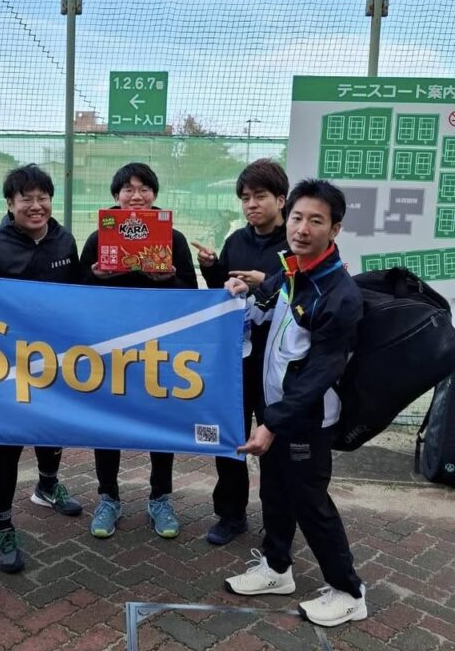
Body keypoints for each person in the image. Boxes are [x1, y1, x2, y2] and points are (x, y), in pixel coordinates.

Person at [224, 178, 367, 627]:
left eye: (316, 221)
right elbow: (271, 309)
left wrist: (272, 423)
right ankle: (277, 567)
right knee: (274, 491)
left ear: (335, 229)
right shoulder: (292, 269)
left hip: (306, 419)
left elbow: (320, 375)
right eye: (298, 218)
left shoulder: (338, 294)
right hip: (279, 411)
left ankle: (349, 591)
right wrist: (247, 293)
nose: (302, 229)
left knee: (310, 503)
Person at [79, 162, 198, 540]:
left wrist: (169, 279)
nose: (136, 196)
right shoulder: (99, 237)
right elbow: (76, 293)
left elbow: (192, 294)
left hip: (158, 346)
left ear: (154, 194)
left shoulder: (172, 238)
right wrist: (96, 276)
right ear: (116, 196)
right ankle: (108, 497)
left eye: (144, 189)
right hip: (110, 345)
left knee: (159, 421)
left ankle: (160, 497)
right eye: (128, 190)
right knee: (106, 422)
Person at [0, 164, 81, 574]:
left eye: (43, 198)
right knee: (10, 441)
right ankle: (0, 528)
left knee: (52, 426)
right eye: (26, 199)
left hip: (56, 357)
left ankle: (47, 486)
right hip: (9, 363)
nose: (36, 206)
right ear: (10, 203)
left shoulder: (65, 240)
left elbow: (78, 295)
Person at [193, 159, 289, 546]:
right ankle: (230, 515)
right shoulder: (237, 241)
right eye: (245, 198)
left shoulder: (294, 243)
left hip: (278, 363)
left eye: (260, 196)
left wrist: (266, 281)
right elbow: (225, 290)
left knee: (275, 443)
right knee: (230, 437)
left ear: (281, 200)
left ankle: (277, 520)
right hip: (237, 359)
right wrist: (212, 268)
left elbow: (306, 293)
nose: (251, 204)